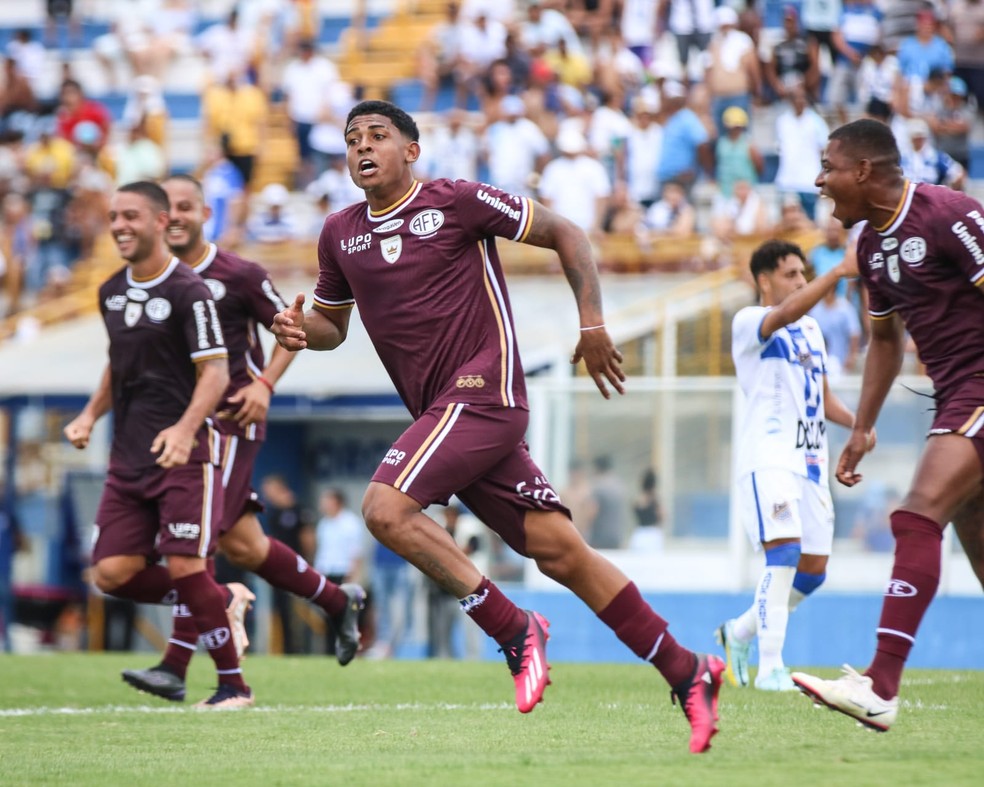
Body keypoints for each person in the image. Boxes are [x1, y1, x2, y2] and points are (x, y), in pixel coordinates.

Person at [270, 99, 725, 754]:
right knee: (560, 550)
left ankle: (512, 627)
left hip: (487, 392)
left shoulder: (457, 202)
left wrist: (593, 324)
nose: (362, 147)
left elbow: (568, 232)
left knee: (383, 507)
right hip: (444, 416)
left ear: (411, 150)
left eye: (378, 135)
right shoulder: (341, 234)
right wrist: (298, 330)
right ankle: (689, 671)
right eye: (351, 139)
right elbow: (331, 328)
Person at [118, 175, 366, 699]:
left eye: (187, 206)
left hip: (230, 422)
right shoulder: (152, 280)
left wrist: (265, 384)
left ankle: (180, 665)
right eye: (170, 207)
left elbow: (290, 329)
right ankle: (337, 601)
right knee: (244, 545)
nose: (178, 216)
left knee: (196, 538)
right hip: (182, 426)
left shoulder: (239, 273)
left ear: (205, 213)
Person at [791, 118, 984, 731]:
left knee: (917, 513)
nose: (820, 182)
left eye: (829, 168)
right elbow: (884, 342)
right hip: (955, 394)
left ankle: (880, 685)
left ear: (865, 171)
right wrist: (861, 428)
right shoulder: (872, 250)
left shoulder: (948, 215)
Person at [62, 181, 251, 709]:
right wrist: (88, 416)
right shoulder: (109, 291)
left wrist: (187, 428)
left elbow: (215, 373)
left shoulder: (190, 291)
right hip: (128, 456)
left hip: (183, 455)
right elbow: (117, 364)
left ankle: (233, 686)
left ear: (161, 222)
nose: (119, 225)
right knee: (111, 574)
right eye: (114, 216)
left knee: (187, 566)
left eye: (131, 216)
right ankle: (221, 600)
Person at [717, 239, 857, 691]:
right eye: (791, 274)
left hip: (811, 462)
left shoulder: (813, 331)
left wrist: (859, 425)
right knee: (785, 553)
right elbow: (784, 314)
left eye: (804, 273)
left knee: (813, 572)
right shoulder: (749, 321)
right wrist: (834, 274)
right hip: (769, 457)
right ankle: (770, 668)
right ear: (764, 280)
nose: (800, 281)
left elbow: (824, 394)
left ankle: (738, 633)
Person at [260, 474, 316, 653]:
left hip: (296, 567)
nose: (266, 494)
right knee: (280, 608)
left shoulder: (299, 509)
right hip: (276, 568)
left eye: (268, 490)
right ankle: (285, 648)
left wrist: (307, 562)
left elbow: (307, 537)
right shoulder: (273, 511)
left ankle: (299, 648)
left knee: (298, 610)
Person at [313, 488, 367, 657]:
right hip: (326, 573)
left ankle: (346, 648)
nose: (323, 504)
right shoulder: (324, 524)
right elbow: (322, 551)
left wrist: (353, 576)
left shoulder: (351, 523)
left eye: (327, 500)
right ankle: (329, 651)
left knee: (344, 616)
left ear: (337, 502)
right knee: (327, 615)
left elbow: (356, 553)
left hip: (343, 573)